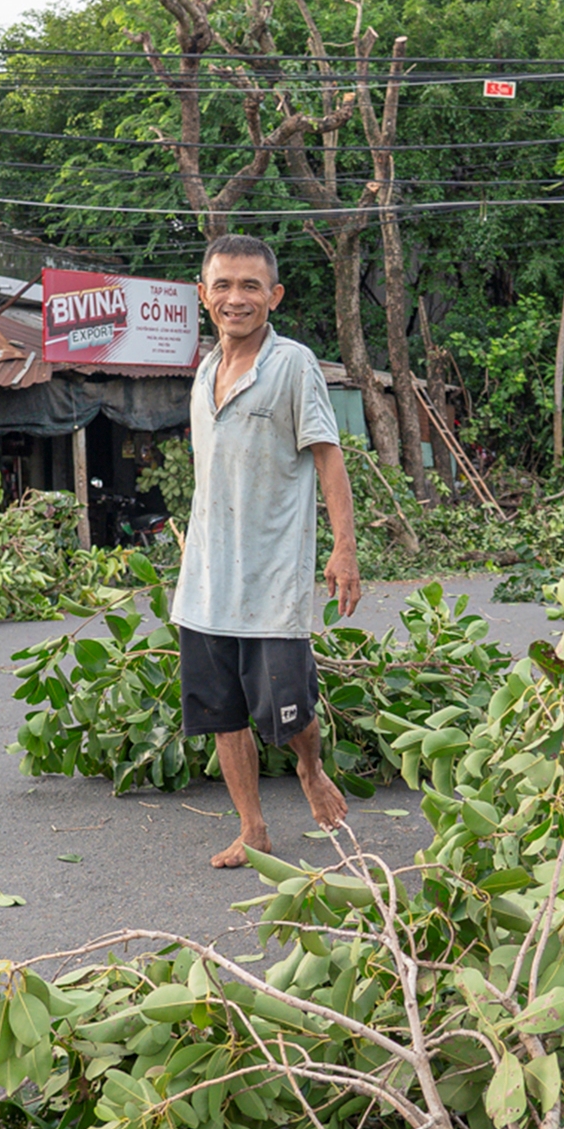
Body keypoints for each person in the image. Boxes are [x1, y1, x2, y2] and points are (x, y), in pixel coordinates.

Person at [174, 233, 361, 868]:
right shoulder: (203, 372)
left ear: (273, 296)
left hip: (273, 582)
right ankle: (253, 829)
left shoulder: (292, 365)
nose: (236, 298)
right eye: (222, 285)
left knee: (289, 711)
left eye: (250, 285)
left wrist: (343, 549)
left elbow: (328, 457)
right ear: (204, 296)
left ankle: (310, 768)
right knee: (223, 714)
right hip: (204, 584)